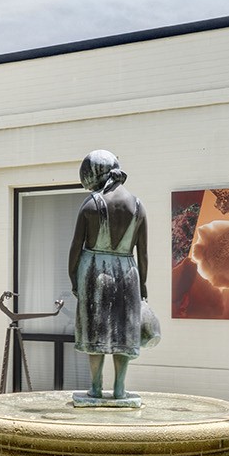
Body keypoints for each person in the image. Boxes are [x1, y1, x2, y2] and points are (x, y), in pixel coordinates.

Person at [67, 150, 157, 402]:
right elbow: (144, 253)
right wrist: (144, 287)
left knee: (94, 331)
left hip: (93, 270)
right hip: (128, 273)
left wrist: (73, 277)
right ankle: (119, 389)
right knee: (124, 332)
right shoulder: (137, 206)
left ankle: (95, 388)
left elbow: (76, 247)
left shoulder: (91, 204)